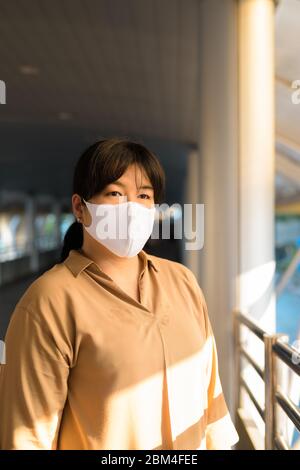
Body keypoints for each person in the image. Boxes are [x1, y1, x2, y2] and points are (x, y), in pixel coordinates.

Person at [0, 138, 239, 450]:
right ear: (79, 208)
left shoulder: (183, 282)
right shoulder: (48, 301)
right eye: (115, 194)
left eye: (144, 196)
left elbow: (211, 398)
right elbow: (28, 436)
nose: (132, 208)